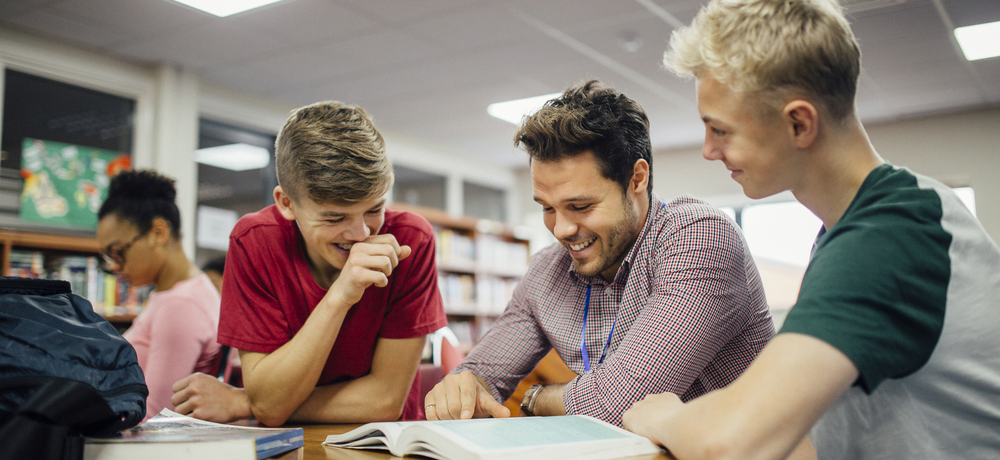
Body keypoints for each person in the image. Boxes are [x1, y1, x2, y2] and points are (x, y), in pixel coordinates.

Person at [622, 1, 1000, 458]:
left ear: (799, 123)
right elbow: (812, 440)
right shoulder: (860, 226)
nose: (708, 150)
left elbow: (731, 443)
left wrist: (665, 415)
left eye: (720, 130)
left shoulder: (890, 235)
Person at [424, 80, 774, 425]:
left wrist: (536, 397)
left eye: (580, 205)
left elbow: (622, 403)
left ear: (636, 179)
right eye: (547, 208)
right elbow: (478, 375)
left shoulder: (698, 236)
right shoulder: (547, 271)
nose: (560, 230)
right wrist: (459, 391)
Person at [171, 101, 448, 426]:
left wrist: (246, 402)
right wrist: (340, 295)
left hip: (383, 445)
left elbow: (384, 401)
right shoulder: (254, 242)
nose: (360, 234)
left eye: (374, 209)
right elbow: (270, 404)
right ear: (286, 203)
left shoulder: (411, 240)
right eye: (335, 217)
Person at [96, 170, 222, 421]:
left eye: (118, 252)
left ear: (158, 233)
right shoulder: (174, 294)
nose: (113, 265)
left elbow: (154, 417)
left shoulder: (181, 305)